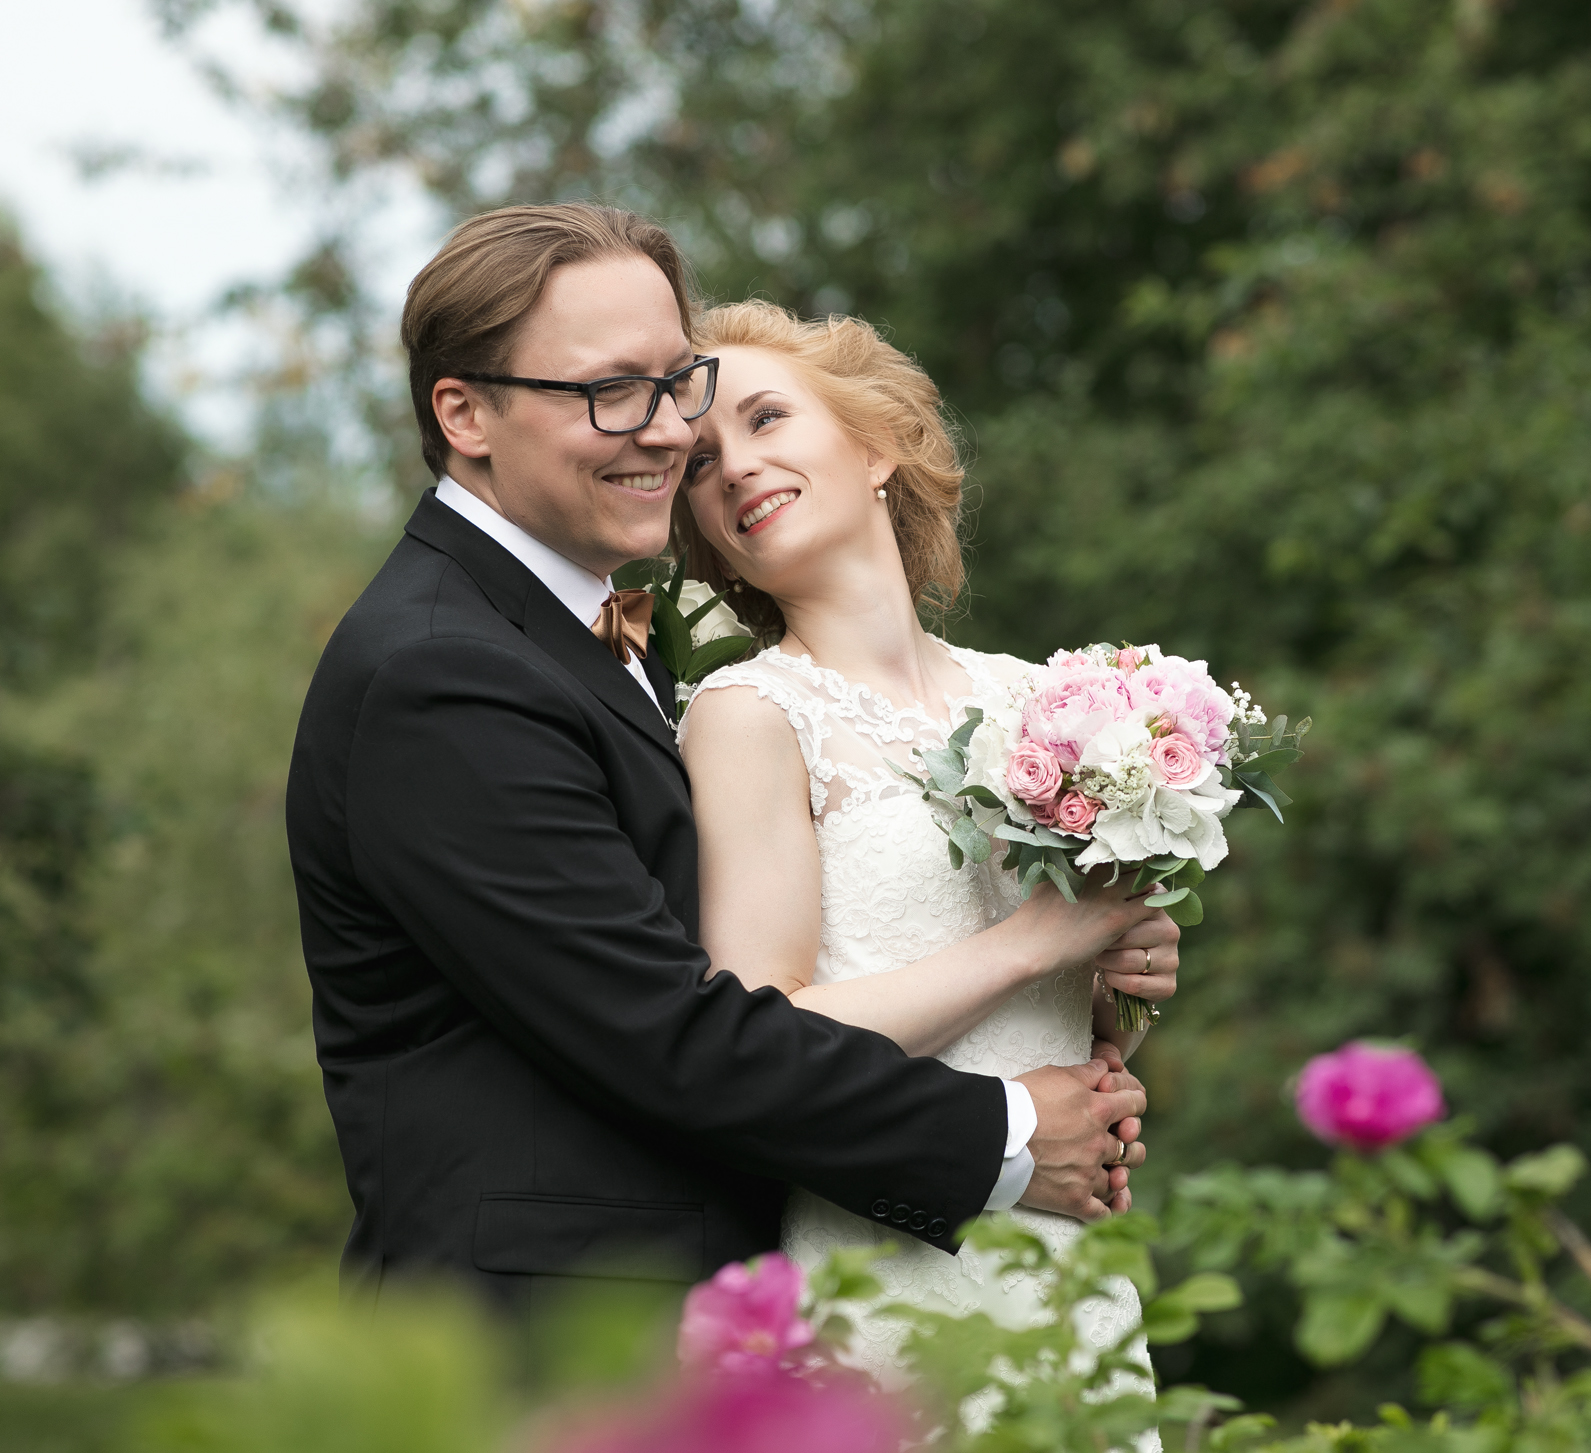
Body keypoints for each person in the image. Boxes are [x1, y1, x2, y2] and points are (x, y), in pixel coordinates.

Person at [285, 202, 1161, 1317]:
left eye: (673, 383)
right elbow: (663, 1035)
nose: (664, 431)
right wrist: (1014, 1131)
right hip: (547, 1336)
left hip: (719, 1300)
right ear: (464, 412)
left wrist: (1105, 960)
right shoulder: (439, 671)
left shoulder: (586, 640)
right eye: (613, 390)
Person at [671, 298, 1179, 1385]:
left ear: (875, 449)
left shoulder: (1039, 697)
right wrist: (1037, 942)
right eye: (700, 462)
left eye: (766, 417)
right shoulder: (749, 714)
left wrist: (1126, 981)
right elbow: (763, 1035)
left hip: (1068, 1264)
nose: (735, 467)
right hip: (888, 1267)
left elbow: (1084, 1024)